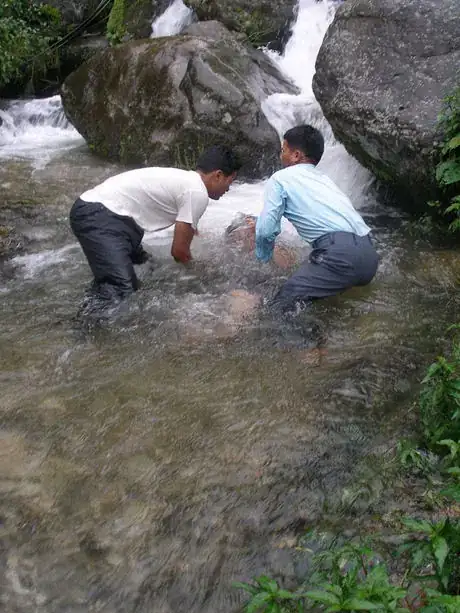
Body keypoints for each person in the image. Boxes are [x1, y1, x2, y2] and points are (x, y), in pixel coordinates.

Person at [69, 145, 241, 305]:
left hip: (115, 219)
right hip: (102, 216)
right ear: (218, 175)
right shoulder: (197, 192)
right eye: (230, 181)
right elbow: (179, 252)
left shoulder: (187, 182)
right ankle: (87, 333)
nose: (228, 189)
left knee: (146, 268)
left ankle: (97, 302)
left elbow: (187, 227)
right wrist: (200, 274)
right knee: (122, 288)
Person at [255, 124, 379, 314]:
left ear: (296, 155)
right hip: (369, 255)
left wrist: (262, 259)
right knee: (314, 304)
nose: (280, 156)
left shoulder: (280, 178)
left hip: (339, 255)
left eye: (283, 150)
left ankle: (312, 344)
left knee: (279, 308)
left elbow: (265, 229)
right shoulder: (325, 180)